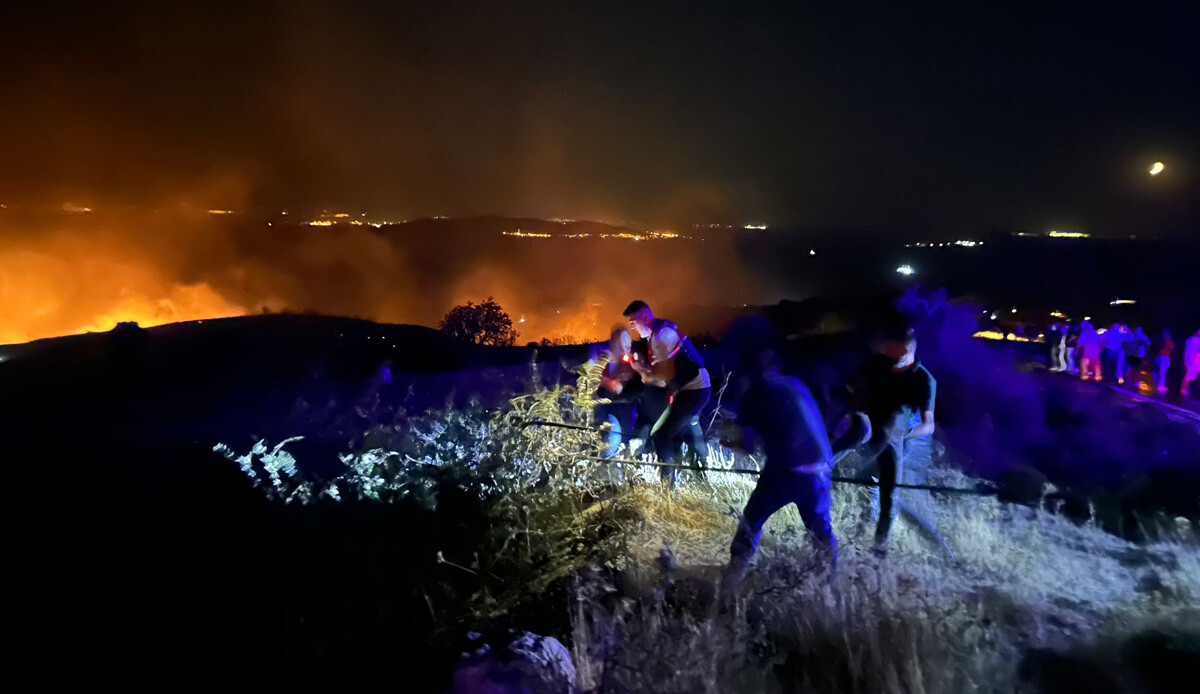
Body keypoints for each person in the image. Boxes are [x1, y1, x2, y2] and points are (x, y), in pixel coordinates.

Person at [720, 319, 836, 577]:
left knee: (752, 518)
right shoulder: (793, 383)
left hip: (787, 472)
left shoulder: (753, 397)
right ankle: (830, 579)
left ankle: (735, 573)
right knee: (820, 529)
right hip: (821, 468)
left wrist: (728, 443)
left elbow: (748, 447)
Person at [841, 313, 950, 554]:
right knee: (872, 484)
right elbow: (852, 387)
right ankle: (865, 534)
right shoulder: (878, 363)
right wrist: (855, 407)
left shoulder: (925, 380)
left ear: (912, 347)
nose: (897, 358)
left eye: (903, 353)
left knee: (888, 493)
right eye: (894, 351)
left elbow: (928, 425)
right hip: (879, 433)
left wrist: (901, 433)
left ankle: (885, 547)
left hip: (910, 440)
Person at [624, 300, 711, 485]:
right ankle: (698, 479)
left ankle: (669, 488)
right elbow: (663, 378)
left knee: (660, 434)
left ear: (646, 317)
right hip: (690, 390)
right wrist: (642, 369)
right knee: (683, 432)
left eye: (634, 322)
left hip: (694, 390)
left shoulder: (661, 335)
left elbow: (665, 374)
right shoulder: (656, 335)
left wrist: (645, 374)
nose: (632, 327)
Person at [1154, 329, 1175, 394]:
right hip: (1164, 357)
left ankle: (1158, 384)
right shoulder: (1167, 340)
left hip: (1158, 356)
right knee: (1162, 372)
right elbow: (1172, 346)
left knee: (1160, 371)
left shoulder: (1159, 339)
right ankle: (1160, 386)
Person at [1183, 330, 1200, 398]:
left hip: (1195, 358)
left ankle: (1185, 389)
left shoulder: (1193, 339)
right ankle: (1184, 388)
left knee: (1190, 375)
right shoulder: (1192, 339)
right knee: (1189, 375)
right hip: (1193, 359)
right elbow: (1188, 350)